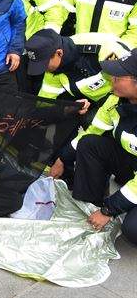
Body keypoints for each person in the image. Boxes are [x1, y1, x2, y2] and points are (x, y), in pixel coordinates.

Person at [50, 49, 137, 245]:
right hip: (132, 165)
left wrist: (110, 210)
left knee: (132, 230)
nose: (112, 78)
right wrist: (62, 159)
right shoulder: (116, 100)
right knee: (90, 144)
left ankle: (113, 208)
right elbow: (92, 132)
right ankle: (89, 207)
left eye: (119, 76)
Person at [26, 29, 130, 104]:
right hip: (94, 103)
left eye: (44, 64)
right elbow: (46, 98)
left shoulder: (104, 49)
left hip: (123, 100)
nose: (43, 69)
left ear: (59, 53)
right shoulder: (53, 70)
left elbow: (130, 82)